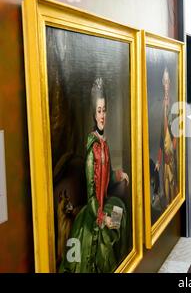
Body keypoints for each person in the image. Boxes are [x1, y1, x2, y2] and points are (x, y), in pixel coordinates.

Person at [60, 78, 130, 272]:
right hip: (93, 213)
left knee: (121, 210)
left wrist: (118, 175)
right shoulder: (92, 149)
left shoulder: (104, 143)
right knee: (107, 239)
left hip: (105, 202)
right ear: (93, 113)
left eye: (104, 110)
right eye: (99, 111)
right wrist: (102, 218)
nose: (102, 115)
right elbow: (92, 193)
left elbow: (105, 176)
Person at [155, 67, 178, 207]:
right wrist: (158, 159)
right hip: (164, 151)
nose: (166, 84)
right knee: (164, 181)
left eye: (168, 81)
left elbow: (177, 134)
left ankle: (174, 206)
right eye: (164, 81)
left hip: (172, 153)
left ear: (170, 82)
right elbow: (160, 135)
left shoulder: (174, 104)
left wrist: (172, 152)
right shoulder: (160, 105)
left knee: (172, 181)